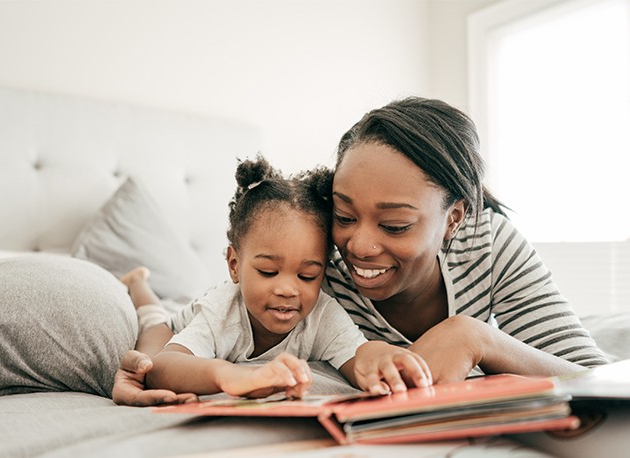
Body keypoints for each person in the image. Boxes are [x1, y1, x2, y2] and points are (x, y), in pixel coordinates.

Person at [113, 97, 607, 406]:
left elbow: (599, 380)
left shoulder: (490, 244)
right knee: (159, 314)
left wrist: (478, 338)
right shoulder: (311, 266)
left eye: (394, 224)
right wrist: (148, 362)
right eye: (344, 216)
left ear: (454, 217)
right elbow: (219, 325)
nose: (358, 246)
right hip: (186, 315)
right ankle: (140, 287)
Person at [116, 156, 432, 403]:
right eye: (268, 272)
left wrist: (380, 355)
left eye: (308, 276)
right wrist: (229, 376)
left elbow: (357, 354)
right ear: (235, 265)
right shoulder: (221, 311)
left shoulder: (323, 315)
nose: (286, 289)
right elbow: (166, 366)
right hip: (175, 326)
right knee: (153, 327)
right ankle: (138, 283)